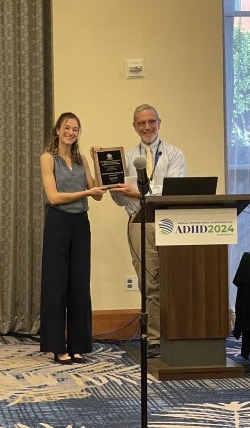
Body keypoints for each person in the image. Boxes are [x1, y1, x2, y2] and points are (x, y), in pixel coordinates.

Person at [109, 104, 186, 358]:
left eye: (151, 121)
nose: (147, 127)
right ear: (134, 127)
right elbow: (122, 201)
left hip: (170, 223)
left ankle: (176, 333)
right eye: (141, 123)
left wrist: (141, 191)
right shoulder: (128, 157)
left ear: (159, 123)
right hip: (139, 223)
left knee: (173, 280)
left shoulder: (174, 154)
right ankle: (154, 339)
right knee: (149, 282)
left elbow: (173, 190)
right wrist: (113, 185)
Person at [40, 112, 107, 364]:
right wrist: (87, 192)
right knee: (56, 284)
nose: (71, 132)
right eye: (66, 127)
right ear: (57, 130)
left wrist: (95, 161)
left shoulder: (81, 161)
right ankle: (57, 346)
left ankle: (79, 344)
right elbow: (54, 197)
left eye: (75, 129)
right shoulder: (48, 159)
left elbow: (98, 194)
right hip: (58, 223)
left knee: (79, 284)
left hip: (80, 223)